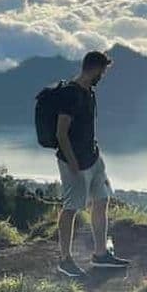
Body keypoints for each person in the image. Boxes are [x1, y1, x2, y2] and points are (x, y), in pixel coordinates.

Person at [55, 50, 129, 278]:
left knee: (102, 199)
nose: (103, 76)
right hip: (74, 162)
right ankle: (65, 260)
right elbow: (61, 133)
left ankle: (100, 254)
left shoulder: (90, 93)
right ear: (95, 69)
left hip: (94, 158)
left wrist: (94, 155)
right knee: (71, 208)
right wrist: (73, 163)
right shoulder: (70, 94)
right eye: (103, 71)